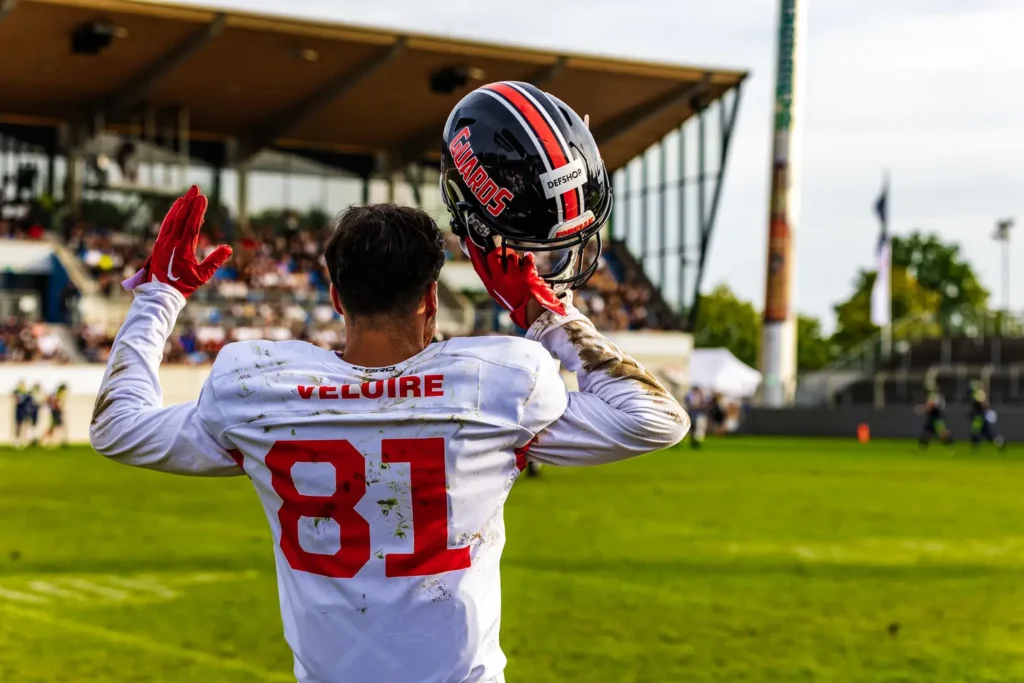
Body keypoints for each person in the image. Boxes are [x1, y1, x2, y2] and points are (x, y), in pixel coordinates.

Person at [90, 83, 688, 683]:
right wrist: (544, 313)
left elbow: (117, 427)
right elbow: (657, 417)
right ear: (433, 296)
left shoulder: (260, 393)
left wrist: (159, 296)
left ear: (335, 297)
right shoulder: (497, 386)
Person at [967, 380, 1004, 451]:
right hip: (979, 416)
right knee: (986, 433)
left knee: (976, 431)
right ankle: (998, 441)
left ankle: (976, 446)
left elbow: (984, 404)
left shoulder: (979, 394)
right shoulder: (977, 394)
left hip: (979, 417)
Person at [917, 381, 952, 449]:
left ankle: (949, 445)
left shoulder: (937, 396)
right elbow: (929, 405)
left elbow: (931, 405)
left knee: (942, 432)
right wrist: (924, 408)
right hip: (932, 416)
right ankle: (923, 446)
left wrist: (923, 408)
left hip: (937, 416)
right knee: (927, 432)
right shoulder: (931, 396)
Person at [44, 383, 69, 448]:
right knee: (55, 427)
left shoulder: (57, 394)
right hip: (55, 412)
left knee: (56, 426)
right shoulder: (57, 395)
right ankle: (49, 440)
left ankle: (58, 440)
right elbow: (58, 404)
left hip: (56, 412)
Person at [12, 380, 31, 447]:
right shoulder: (17, 392)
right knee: (18, 425)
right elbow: (17, 401)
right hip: (19, 410)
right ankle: (17, 439)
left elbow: (29, 402)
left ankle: (25, 439)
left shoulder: (26, 393)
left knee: (26, 425)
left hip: (24, 411)